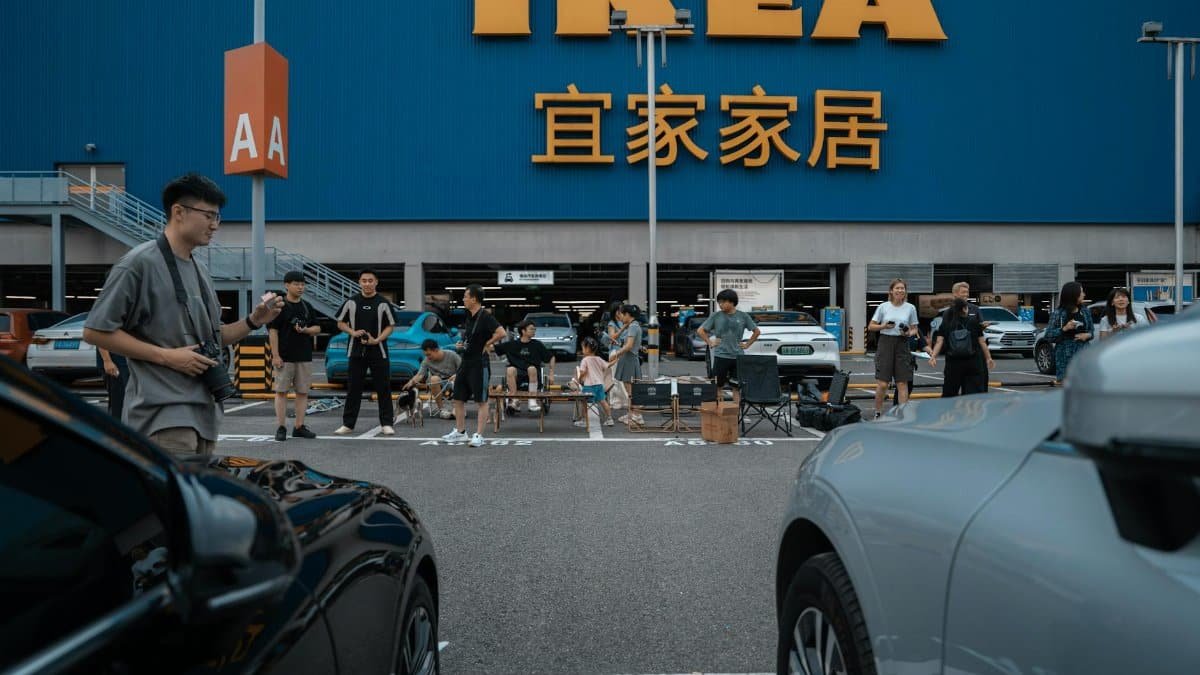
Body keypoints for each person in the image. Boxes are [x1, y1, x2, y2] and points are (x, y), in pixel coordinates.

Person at [83, 172, 284, 455]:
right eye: (209, 216)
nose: (215, 225)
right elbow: (95, 331)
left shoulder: (199, 269)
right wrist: (167, 357)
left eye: (218, 218)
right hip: (163, 418)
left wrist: (254, 321)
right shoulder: (138, 264)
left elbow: (214, 338)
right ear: (178, 212)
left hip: (205, 414)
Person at [333, 268, 397, 436]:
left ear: (376, 282)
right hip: (356, 351)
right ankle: (348, 424)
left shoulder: (383, 303)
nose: (367, 283)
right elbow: (340, 322)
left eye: (370, 280)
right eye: (364, 280)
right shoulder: (351, 302)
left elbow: (391, 326)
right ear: (359, 282)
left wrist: (377, 339)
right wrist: (353, 332)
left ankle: (387, 423)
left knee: (383, 388)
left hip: (379, 351)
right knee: (354, 388)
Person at [442, 284, 507, 447]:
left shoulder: (485, 316)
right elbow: (470, 339)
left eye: (465, 296)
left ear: (474, 299)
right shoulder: (469, 316)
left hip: (480, 363)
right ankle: (461, 432)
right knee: (458, 398)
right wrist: (461, 345)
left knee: (481, 400)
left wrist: (488, 343)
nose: (463, 299)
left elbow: (501, 333)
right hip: (466, 362)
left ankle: (479, 435)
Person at [268, 270, 320, 441]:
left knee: (303, 392)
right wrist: (275, 355)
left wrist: (305, 330)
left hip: (304, 356)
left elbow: (317, 328)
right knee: (281, 391)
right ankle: (281, 426)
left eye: (302, 284)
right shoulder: (279, 307)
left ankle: (299, 426)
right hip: (284, 356)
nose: (300, 287)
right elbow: (273, 331)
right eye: (296, 284)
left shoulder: (307, 307)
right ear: (287, 285)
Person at [867, 278, 919, 419]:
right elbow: (871, 326)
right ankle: (877, 413)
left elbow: (915, 329)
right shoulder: (884, 306)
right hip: (885, 343)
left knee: (902, 383)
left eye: (902, 288)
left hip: (902, 343)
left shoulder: (910, 308)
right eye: (897, 288)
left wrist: (908, 333)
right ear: (891, 291)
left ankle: (902, 415)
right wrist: (883, 326)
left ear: (905, 291)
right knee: (883, 384)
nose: (900, 290)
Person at [928, 298, 996, 397]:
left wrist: (933, 356)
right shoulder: (974, 322)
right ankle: (968, 412)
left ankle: (948, 412)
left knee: (950, 393)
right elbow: (982, 342)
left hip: (953, 363)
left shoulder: (946, 324)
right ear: (964, 309)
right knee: (972, 395)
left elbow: (939, 341)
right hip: (973, 362)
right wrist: (989, 358)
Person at [696, 288, 760, 389]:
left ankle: (736, 405)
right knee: (717, 385)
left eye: (722, 302)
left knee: (737, 387)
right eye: (719, 302)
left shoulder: (743, 316)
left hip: (737, 357)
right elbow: (700, 330)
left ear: (731, 302)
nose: (720, 305)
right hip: (721, 356)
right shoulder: (716, 316)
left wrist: (747, 344)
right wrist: (710, 342)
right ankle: (718, 405)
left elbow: (757, 332)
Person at [495, 319, 556, 416]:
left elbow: (551, 357)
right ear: (523, 331)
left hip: (533, 375)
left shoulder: (537, 345)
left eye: (534, 329)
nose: (534, 331)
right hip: (517, 376)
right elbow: (494, 348)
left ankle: (532, 401)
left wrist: (551, 374)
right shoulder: (512, 344)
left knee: (531, 368)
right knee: (510, 369)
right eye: (531, 329)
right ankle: (515, 400)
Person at [1043, 281, 1093, 385]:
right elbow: (1048, 336)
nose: (1084, 294)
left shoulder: (1085, 311)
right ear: (1074, 294)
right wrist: (1064, 329)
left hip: (1083, 353)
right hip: (1064, 355)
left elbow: (1091, 331)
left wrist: (1087, 335)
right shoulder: (1058, 313)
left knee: (1086, 384)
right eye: (1082, 292)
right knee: (1066, 387)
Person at [401, 339, 461, 420]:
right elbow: (420, 375)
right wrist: (411, 382)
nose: (428, 357)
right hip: (439, 383)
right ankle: (441, 410)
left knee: (458, 379)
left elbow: (464, 369)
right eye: (426, 355)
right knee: (434, 379)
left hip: (454, 382)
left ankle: (457, 408)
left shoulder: (452, 355)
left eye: (429, 354)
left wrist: (456, 375)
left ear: (436, 350)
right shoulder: (426, 361)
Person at [609, 304, 645, 427]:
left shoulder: (633, 327)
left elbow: (629, 346)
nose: (620, 317)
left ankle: (637, 416)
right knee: (630, 389)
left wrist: (616, 354)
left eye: (622, 314)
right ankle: (632, 414)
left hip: (629, 360)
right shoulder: (633, 325)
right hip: (629, 360)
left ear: (628, 315)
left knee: (631, 391)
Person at [573, 336, 614, 427]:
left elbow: (583, 372)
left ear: (587, 349)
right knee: (603, 401)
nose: (582, 350)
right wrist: (616, 360)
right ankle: (610, 418)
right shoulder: (598, 359)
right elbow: (608, 365)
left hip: (589, 386)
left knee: (584, 403)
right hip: (599, 385)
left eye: (583, 348)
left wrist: (579, 379)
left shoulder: (585, 360)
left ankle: (584, 420)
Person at [96, 347, 129, 420]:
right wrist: (107, 360)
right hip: (115, 365)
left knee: (127, 404)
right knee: (118, 406)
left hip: (125, 363)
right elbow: (101, 337)